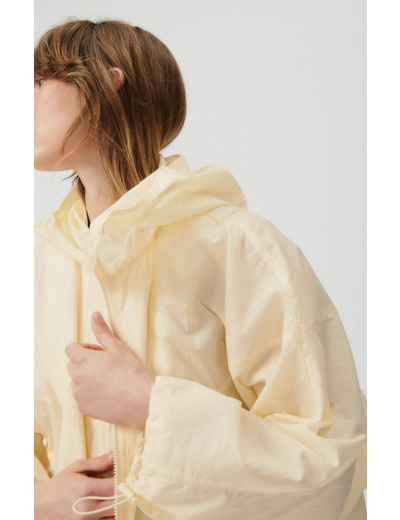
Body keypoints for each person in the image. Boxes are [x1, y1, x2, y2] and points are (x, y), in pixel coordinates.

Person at [34, 18, 367, 520]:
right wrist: (34, 502)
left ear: (108, 81)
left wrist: (151, 407)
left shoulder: (239, 248)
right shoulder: (39, 269)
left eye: (40, 82)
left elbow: (328, 466)